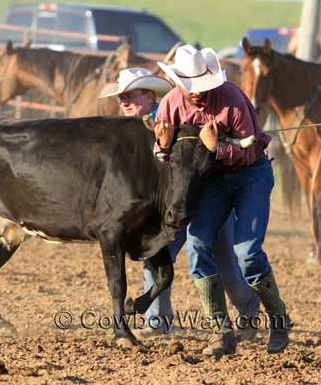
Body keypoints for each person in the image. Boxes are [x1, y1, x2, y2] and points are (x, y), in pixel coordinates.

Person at [99, 68, 261, 352]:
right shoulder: (134, 131)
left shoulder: (174, 115)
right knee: (156, 256)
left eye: (128, 96)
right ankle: (157, 321)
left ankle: (249, 311)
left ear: (149, 96)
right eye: (120, 97)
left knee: (226, 266)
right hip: (169, 208)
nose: (123, 102)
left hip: (206, 200)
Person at [154, 45, 291, 355]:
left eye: (200, 86)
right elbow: (168, 159)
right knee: (198, 244)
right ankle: (220, 331)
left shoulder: (232, 99)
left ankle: (279, 319)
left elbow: (251, 152)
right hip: (213, 182)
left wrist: (217, 149)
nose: (195, 94)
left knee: (247, 253)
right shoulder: (170, 105)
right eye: (189, 87)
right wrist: (162, 147)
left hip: (250, 177)